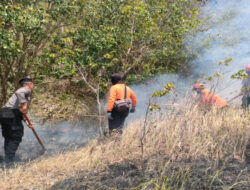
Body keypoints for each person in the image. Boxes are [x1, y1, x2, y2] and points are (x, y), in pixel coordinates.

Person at [0, 77, 33, 163]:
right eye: (32, 84)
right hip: (11, 114)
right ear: (29, 84)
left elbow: (21, 112)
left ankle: (7, 159)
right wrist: (24, 103)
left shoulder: (26, 93)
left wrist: (26, 122)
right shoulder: (24, 90)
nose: (32, 85)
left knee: (9, 137)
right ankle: (8, 161)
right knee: (15, 136)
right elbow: (19, 92)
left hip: (6, 113)